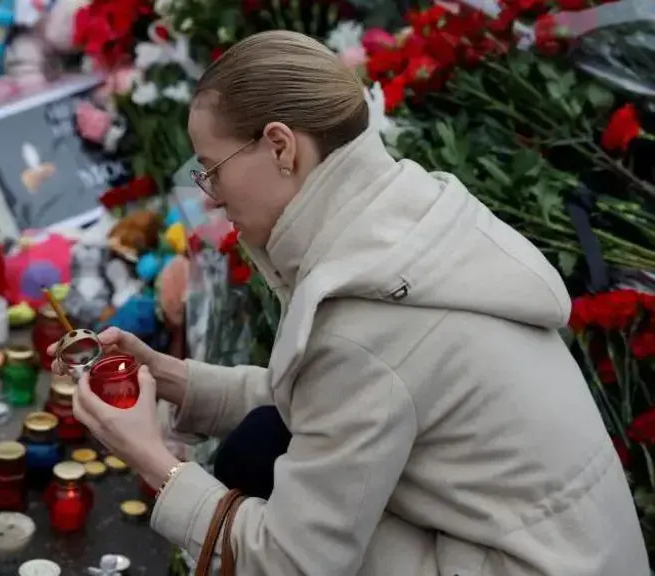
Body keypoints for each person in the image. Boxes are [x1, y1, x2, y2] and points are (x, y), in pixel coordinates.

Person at [51, 30, 649, 575]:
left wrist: (155, 461)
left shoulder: (364, 311)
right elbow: (352, 399)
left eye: (212, 170)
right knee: (266, 447)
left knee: (261, 483)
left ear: (281, 147)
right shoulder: (406, 221)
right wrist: (175, 378)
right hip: (574, 550)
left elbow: (288, 561)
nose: (207, 197)